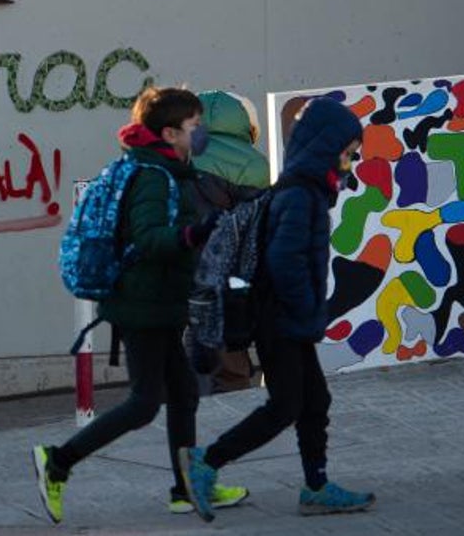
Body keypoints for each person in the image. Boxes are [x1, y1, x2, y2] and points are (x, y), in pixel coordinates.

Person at [31, 87, 246, 523]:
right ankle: (57, 461)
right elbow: (148, 239)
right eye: (193, 127)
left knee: (184, 392)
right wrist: (194, 233)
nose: (200, 134)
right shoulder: (153, 175)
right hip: (141, 305)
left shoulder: (165, 167)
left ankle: (184, 488)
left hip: (157, 302)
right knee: (145, 402)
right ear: (169, 133)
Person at [180, 96, 375, 521]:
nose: (351, 164)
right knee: (286, 405)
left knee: (315, 400)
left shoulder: (299, 190)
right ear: (326, 149)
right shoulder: (302, 196)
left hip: (285, 318)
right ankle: (207, 463)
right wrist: (308, 311)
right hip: (281, 321)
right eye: (348, 154)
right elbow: (285, 260)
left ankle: (317, 485)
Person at [189, 90, 271, 395]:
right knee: (230, 370)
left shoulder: (178, 151)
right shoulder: (254, 165)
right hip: (225, 283)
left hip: (176, 273)